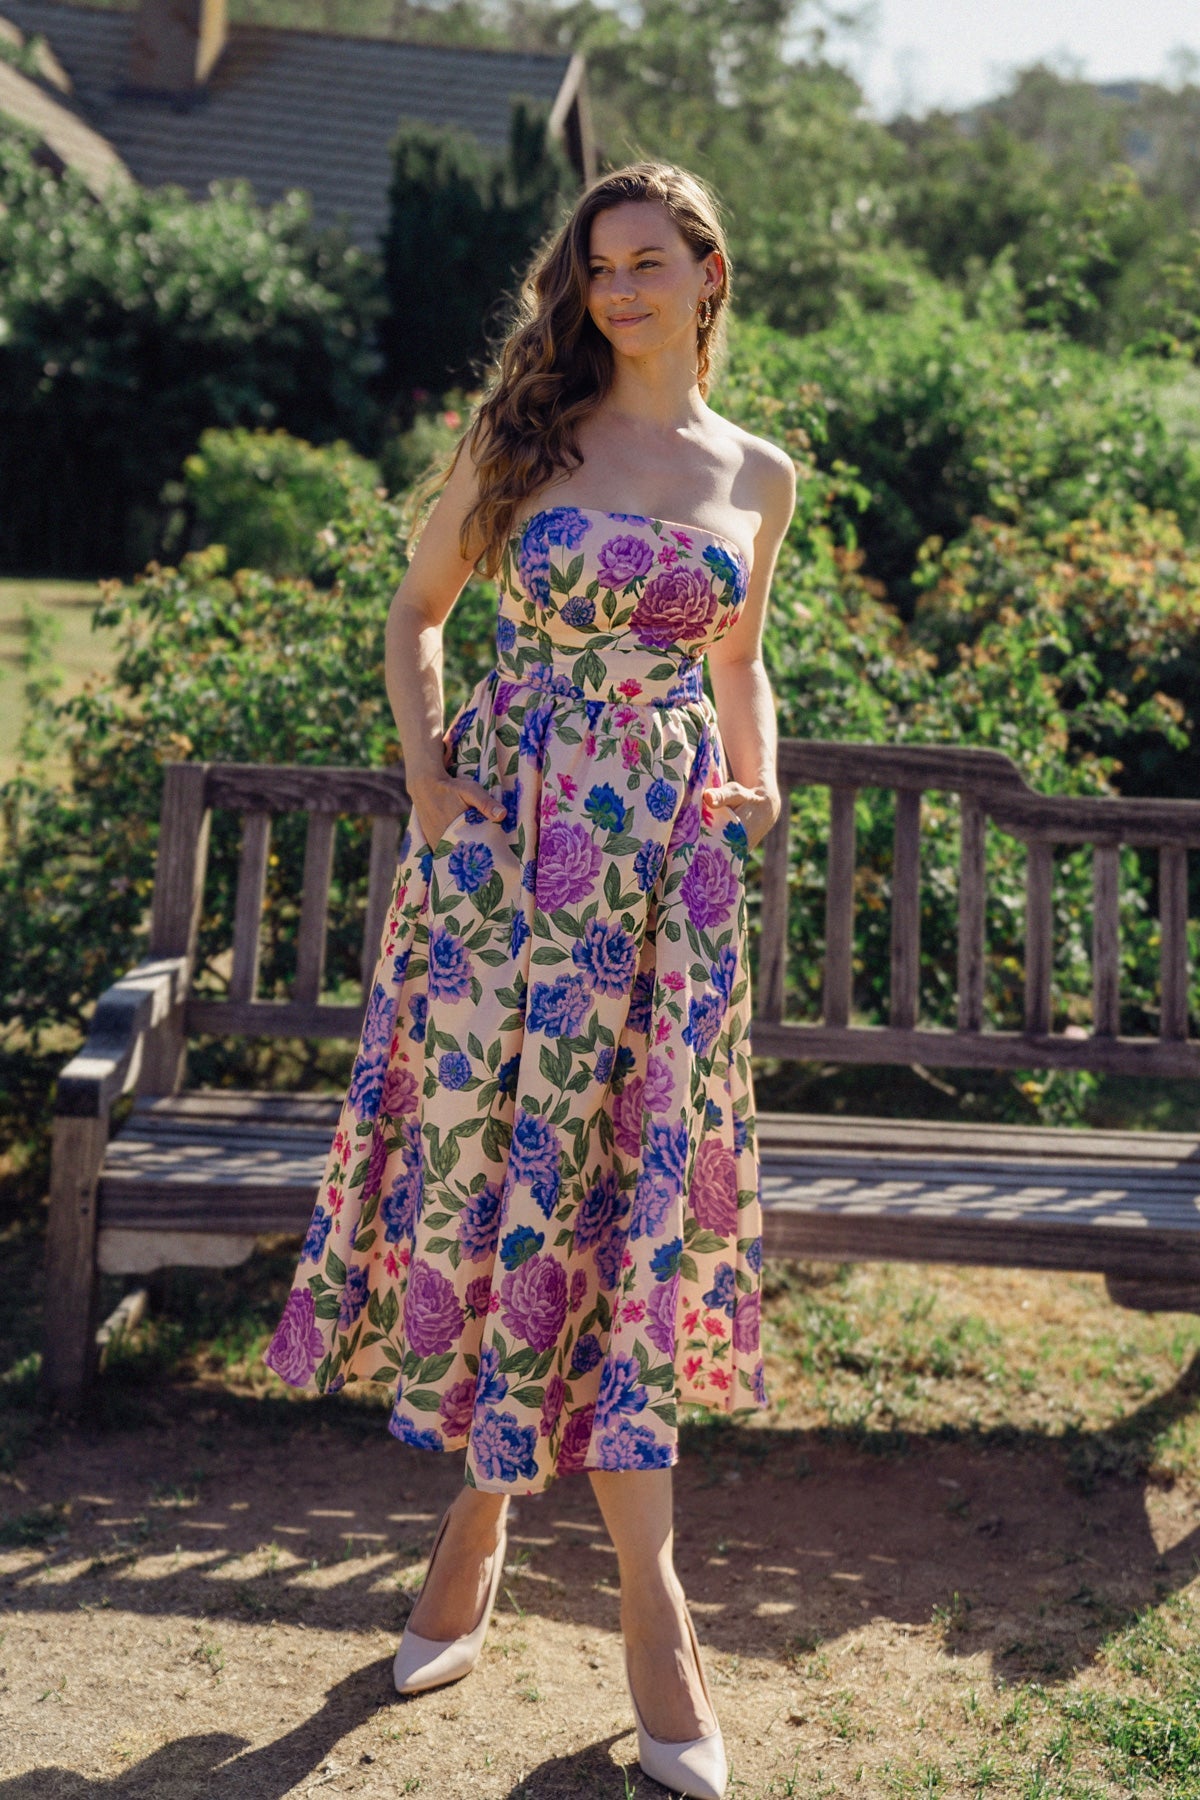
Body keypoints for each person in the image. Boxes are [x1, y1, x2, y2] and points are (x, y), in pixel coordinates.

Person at [264, 159, 795, 1799]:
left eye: (649, 262)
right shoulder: (527, 442)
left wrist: (753, 777)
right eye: (596, 268)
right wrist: (432, 788)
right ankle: (645, 1612)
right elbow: (419, 616)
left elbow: (738, 656)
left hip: (668, 895)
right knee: (514, 1186)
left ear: (710, 275)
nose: (617, 290)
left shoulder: (759, 475)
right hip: (511, 872)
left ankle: (515, 1551)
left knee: (628, 1206)